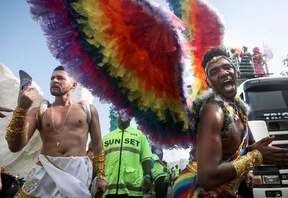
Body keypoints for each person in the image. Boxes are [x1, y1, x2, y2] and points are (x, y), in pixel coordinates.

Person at [172, 46, 288, 197]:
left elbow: (250, 149)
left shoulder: (239, 111)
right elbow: (207, 178)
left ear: (235, 71)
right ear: (208, 82)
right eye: (214, 72)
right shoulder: (213, 110)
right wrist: (256, 157)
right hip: (195, 190)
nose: (222, 73)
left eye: (227, 67)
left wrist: (249, 171)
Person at [5, 65, 107, 197]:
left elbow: (98, 145)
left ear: (73, 85)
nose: (54, 80)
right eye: (52, 78)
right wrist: (21, 109)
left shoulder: (88, 110)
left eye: (60, 78)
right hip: (45, 172)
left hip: (76, 174)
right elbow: (14, 146)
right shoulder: (39, 111)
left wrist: (100, 176)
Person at [103, 112, 152, 197]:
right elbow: (100, 159)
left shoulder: (139, 135)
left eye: (124, 113)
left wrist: (148, 176)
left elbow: (146, 158)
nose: (121, 115)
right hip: (109, 189)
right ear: (115, 115)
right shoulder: (106, 137)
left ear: (130, 117)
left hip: (133, 190)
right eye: (119, 113)